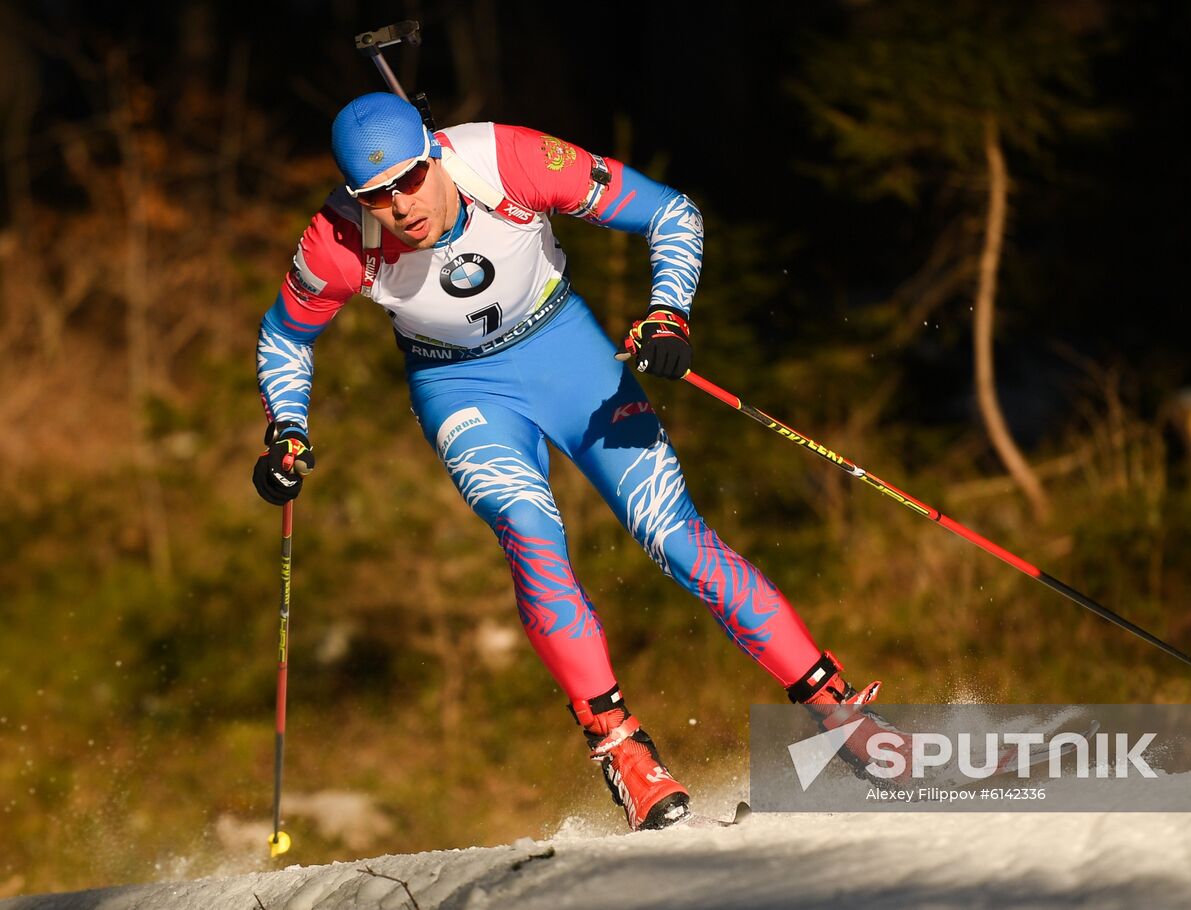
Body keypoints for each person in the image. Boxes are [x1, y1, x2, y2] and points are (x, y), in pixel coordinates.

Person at [252, 92, 900, 830]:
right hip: (461, 388)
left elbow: (671, 212)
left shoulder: (507, 160)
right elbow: (285, 338)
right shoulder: (337, 239)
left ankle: (838, 716)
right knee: (529, 531)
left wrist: (669, 309)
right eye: (376, 193)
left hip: (568, 355)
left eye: (408, 179)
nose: (398, 206)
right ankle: (623, 753)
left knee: (672, 533)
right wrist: (288, 432)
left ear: (434, 153)